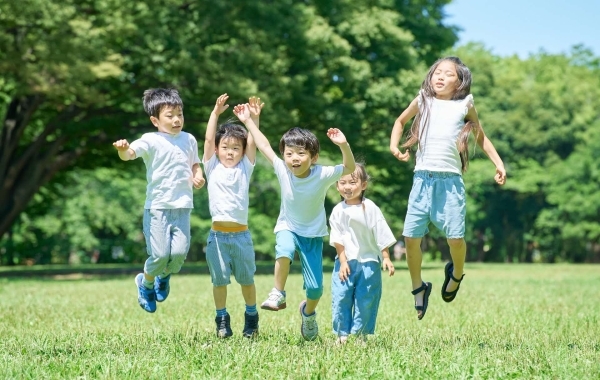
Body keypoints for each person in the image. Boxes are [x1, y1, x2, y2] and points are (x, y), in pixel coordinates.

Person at [389, 56, 506, 320]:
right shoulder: (423, 100)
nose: (440, 77)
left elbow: (481, 136)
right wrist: (394, 146)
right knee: (410, 238)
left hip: (450, 182)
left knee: (455, 238)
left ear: (460, 81)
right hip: (422, 179)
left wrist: (498, 164)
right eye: (436, 72)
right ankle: (418, 287)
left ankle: (456, 273)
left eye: (448, 74)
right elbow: (400, 122)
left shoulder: (465, 104)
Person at [238, 117, 355, 341]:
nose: (294, 159)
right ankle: (278, 293)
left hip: (312, 234)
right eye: (289, 153)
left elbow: (349, 167)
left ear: (313, 157)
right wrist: (249, 121)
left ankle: (308, 313)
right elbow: (263, 145)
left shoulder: (322, 174)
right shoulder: (282, 169)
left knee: (315, 289)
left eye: (300, 154)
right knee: (283, 249)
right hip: (288, 226)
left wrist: (343, 144)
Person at [113, 88, 205, 313]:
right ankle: (145, 284)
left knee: (180, 254)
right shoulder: (150, 140)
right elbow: (130, 154)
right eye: (170, 115)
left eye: (180, 114)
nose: (177, 120)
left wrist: (198, 174)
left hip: (182, 206)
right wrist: (123, 150)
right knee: (161, 254)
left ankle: (163, 277)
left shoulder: (189, 139)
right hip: (157, 208)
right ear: (155, 120)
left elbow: (195, 162)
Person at [202, 94, 263, 339]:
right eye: (225, 148)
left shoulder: (244, 168)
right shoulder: (211, 166)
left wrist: (254, 119)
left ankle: (251, 317)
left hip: (241, 237)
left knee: (247, 280)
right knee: (220, 282)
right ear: (216, 150)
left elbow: (253, 143)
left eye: (236, 148)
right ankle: (222, 319)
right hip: (217, 237)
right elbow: (207, 138)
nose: (230, 152)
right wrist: (215, 113)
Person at [329, 163, 396, 344]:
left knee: (366, 299)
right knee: (341, 297)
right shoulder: (338, 211)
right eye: (342, 183)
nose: (347, 187)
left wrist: (386, 257)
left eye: (352, 182)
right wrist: (342, 262)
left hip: (369, 262)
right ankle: (342, 334)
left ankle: (360, 335)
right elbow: (338, 239)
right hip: (345, 262)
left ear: (364, 184)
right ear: (337, 186)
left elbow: (380, 231)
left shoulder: (370, 208)